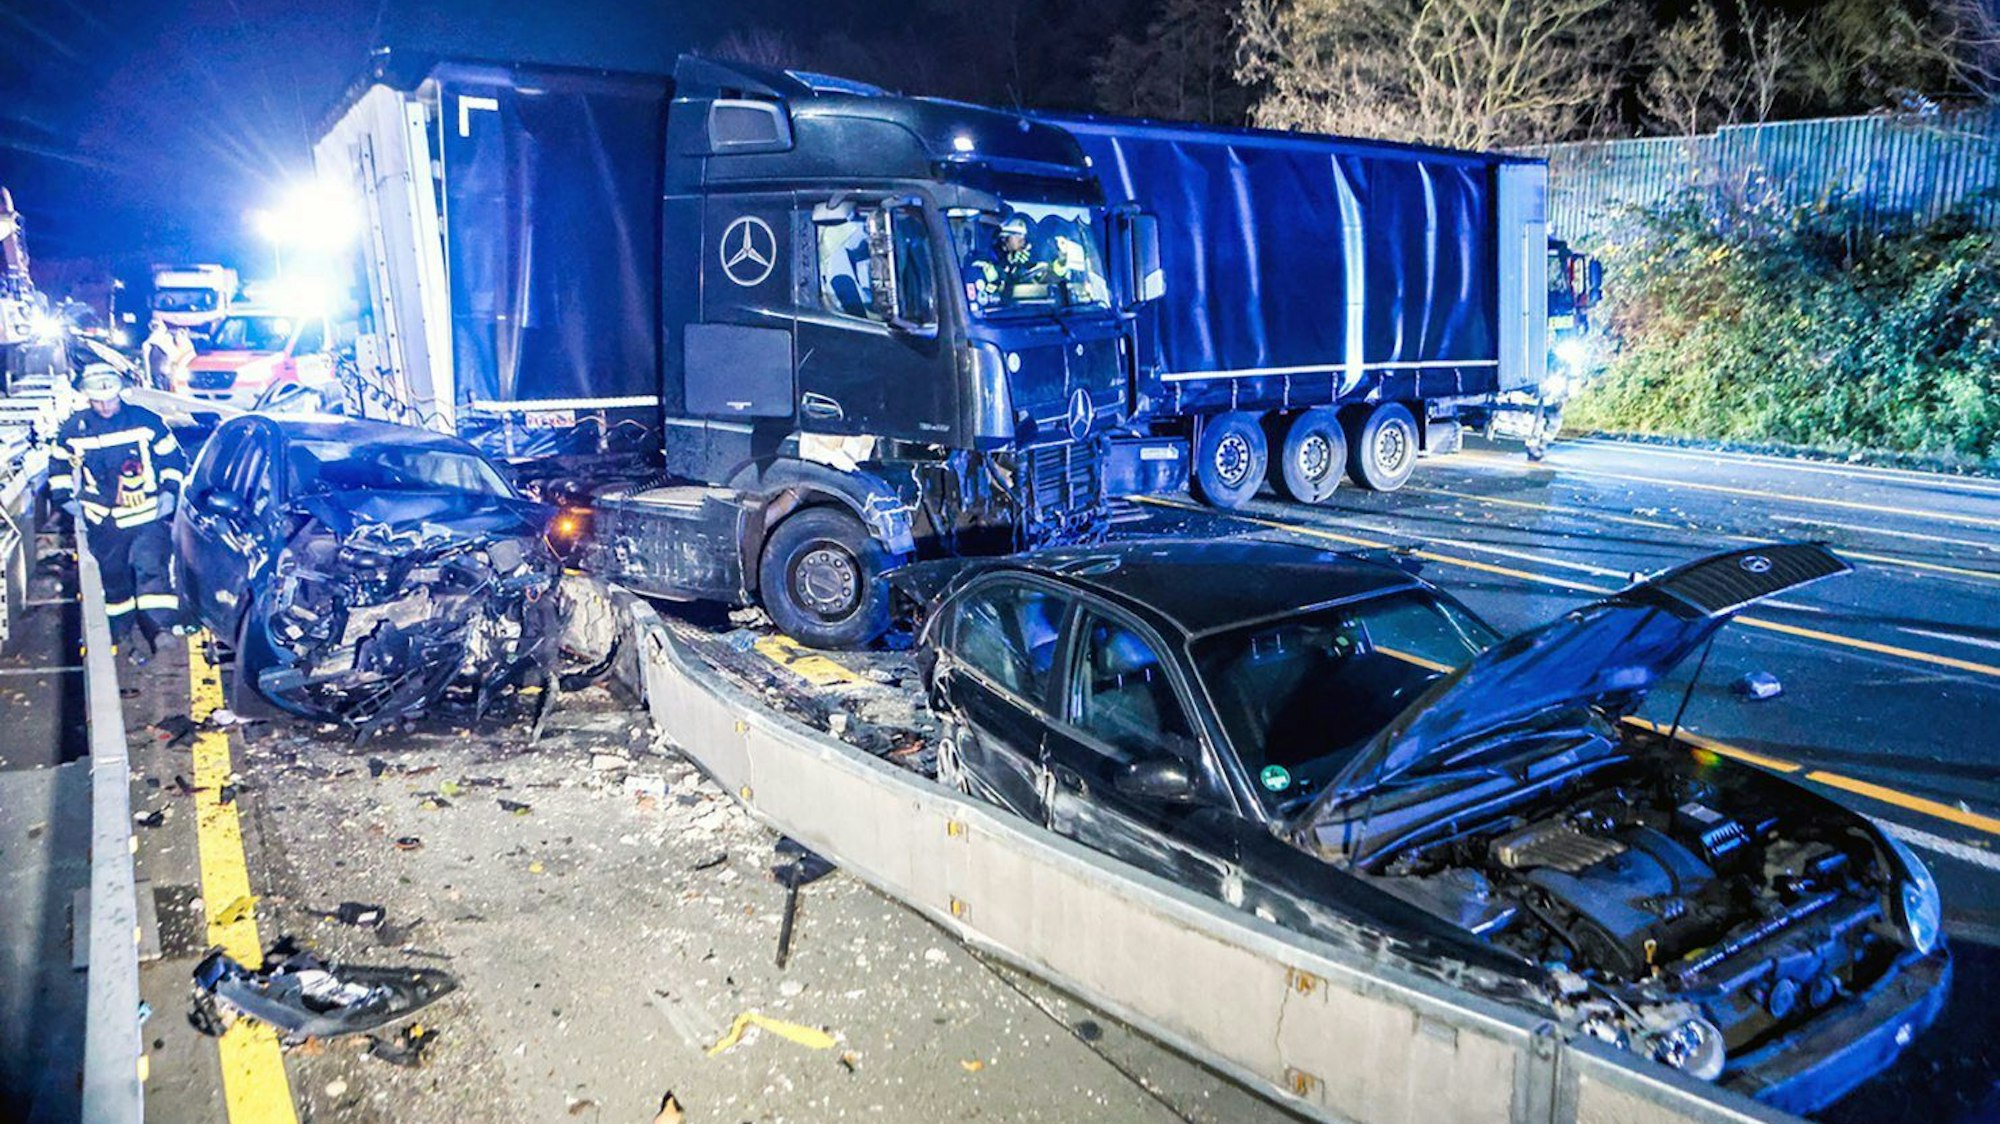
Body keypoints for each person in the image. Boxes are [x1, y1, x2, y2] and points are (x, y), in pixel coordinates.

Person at [51, 366, 187, 662]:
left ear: (119, 393)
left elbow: (173, 458)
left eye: (109, 400)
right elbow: (59, 467)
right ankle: (120, 630)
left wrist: (169, 492)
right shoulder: (74, 429)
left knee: (152, 571)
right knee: (114, 580)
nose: (104, 406)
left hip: (146, 515)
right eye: (97, 401)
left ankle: (160, 628)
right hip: (104, 521)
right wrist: (66, 499)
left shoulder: (145, 421)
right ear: (87, 398)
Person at [141, 317, 193, 391]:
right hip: (157, 374)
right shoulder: (148, 344)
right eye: (154, 326)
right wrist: (148, 378)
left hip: (167, 373)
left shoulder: (168, 339)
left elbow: (176, 354)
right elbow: (146, 363)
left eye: (157, 325)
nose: (156, 328)